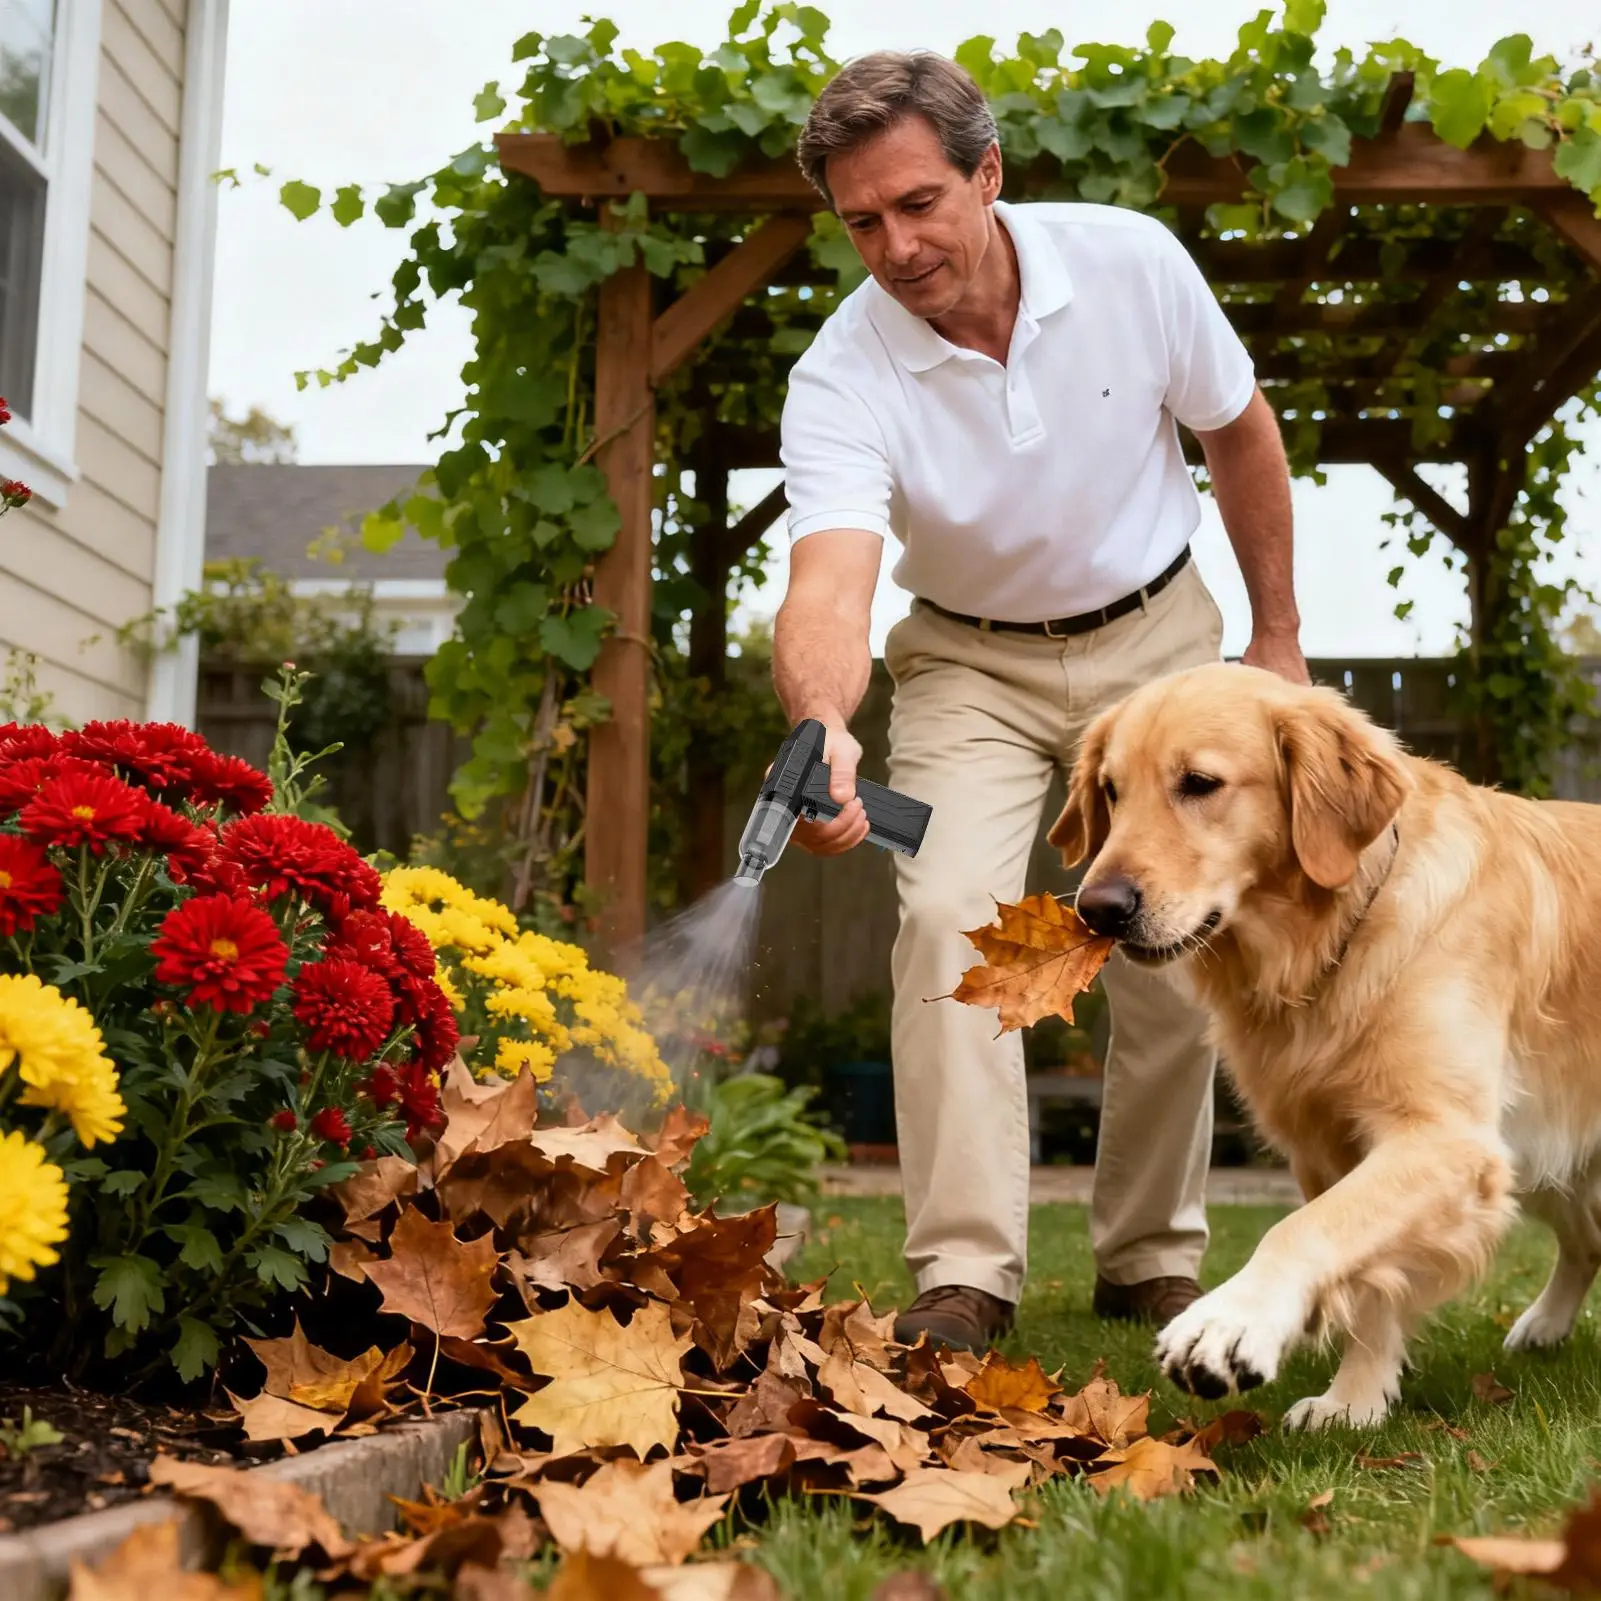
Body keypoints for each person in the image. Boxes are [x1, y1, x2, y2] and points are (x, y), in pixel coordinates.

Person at [770, 49, 1307, 1354]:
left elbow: (1241, 432)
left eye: (917, 203)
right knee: (951, 909)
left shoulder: (1130, 266)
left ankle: (1148, 1257)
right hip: (969, 664)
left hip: (1157, 638)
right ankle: (964, 1273)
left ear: (988, 173)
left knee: (1170, 937)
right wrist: (825, 725)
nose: (893, 246)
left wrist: (1278, 636)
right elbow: (832, 585)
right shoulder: (844, 374)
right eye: (860, 223)